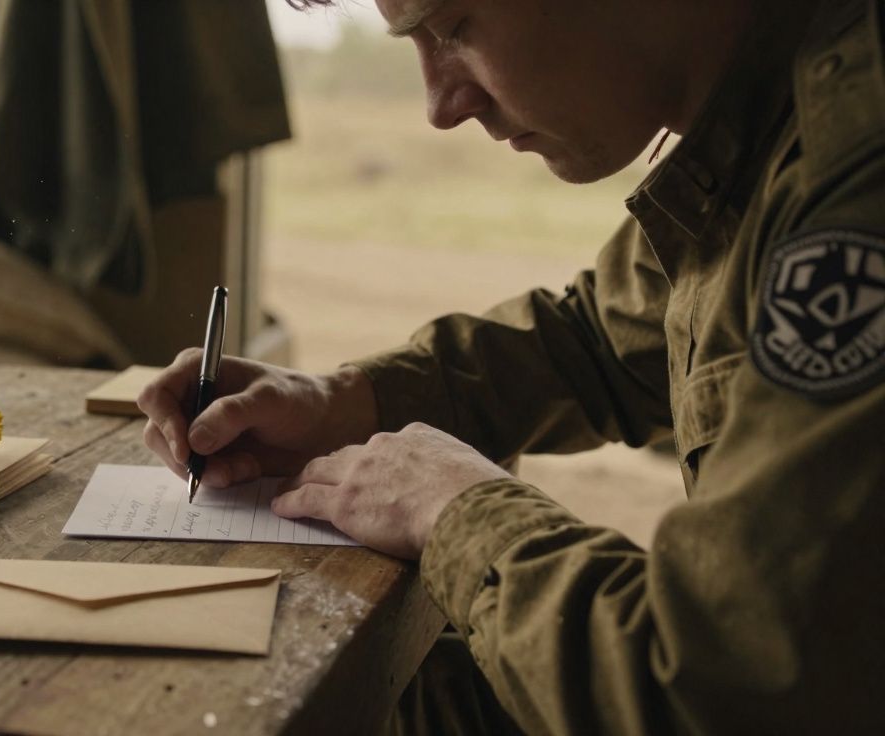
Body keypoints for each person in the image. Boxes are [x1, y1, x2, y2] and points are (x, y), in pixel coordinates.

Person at [139, 0, 885, 733]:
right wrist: (341, 399)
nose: (441, 104)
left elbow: (716, 692)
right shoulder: (757, 126)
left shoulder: (850, 175)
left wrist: (456, 511)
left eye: (455, 27)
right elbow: (597, 340)